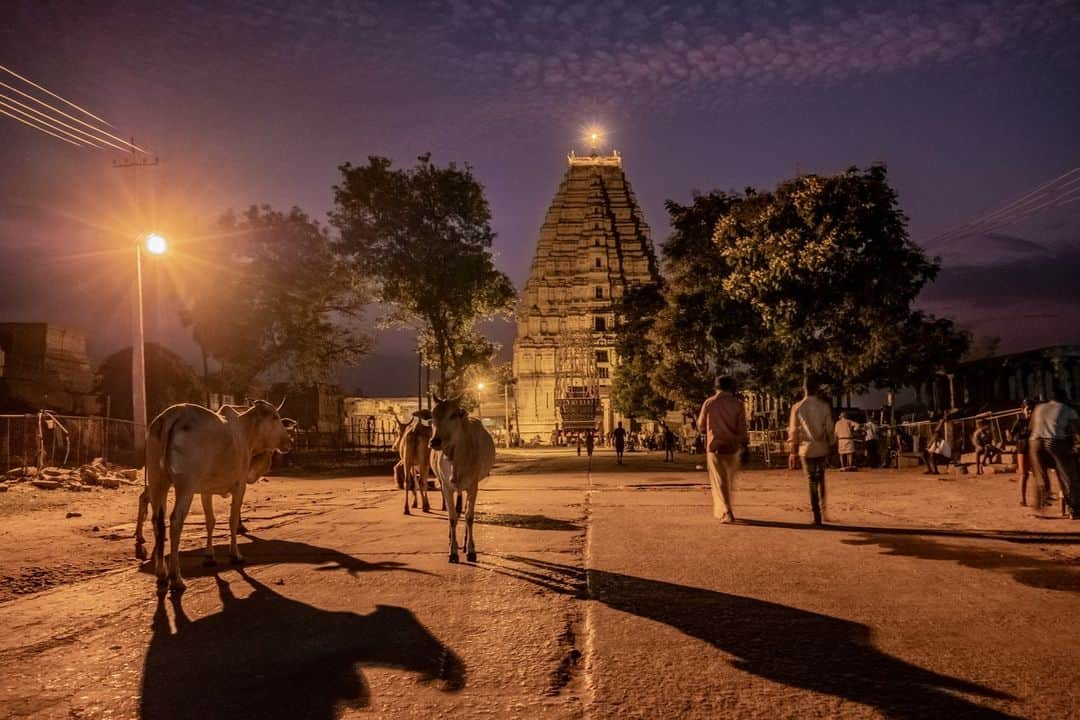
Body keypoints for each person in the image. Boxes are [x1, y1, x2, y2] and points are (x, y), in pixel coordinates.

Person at [697, 375, 748, 523]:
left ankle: (726, 511)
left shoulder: (709, 403)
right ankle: (724, 508)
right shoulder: (738, 404)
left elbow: (700, 426)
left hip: (714, 447)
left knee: (719, 481)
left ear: (716, 387)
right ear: (731, 387)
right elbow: (742, 428)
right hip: (732, 447)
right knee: (727, 480)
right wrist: (744, 445)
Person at [788, 375, 836, 525]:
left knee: (811, 481)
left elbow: (793, 431)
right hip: (821, 447)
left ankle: (817, 516)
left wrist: (793, 451)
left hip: (805, 449)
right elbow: (829, 428)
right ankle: (824, 510)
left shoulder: (797, 407)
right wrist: (832, 444)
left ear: (804, 388)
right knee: (821, 478)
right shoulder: (824, 406)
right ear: (817, 388)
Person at [1029, 388, 1079, 519]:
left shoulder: (1039, 407)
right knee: (1067, 475)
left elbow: (1032, 427)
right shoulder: (1067, 409)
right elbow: (1077, 429)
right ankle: (1074, 509)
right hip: (1055, 442)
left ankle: (1038, 508)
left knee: (1040, 476)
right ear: (1064, 398)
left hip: (1035, 442)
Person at [1010, 399, 1046, 506]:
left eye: (1032, 409)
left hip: (1035, 450)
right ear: (1022, 410)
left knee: (1038, 475)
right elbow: (1012, 436)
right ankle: (1023, 499)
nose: (1030, 412)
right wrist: (1011, 436)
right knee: (1024, 475)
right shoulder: (1019, 422)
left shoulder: (1037, 422)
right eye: (1028, 409)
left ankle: (1042, 499)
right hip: (1022, 450)